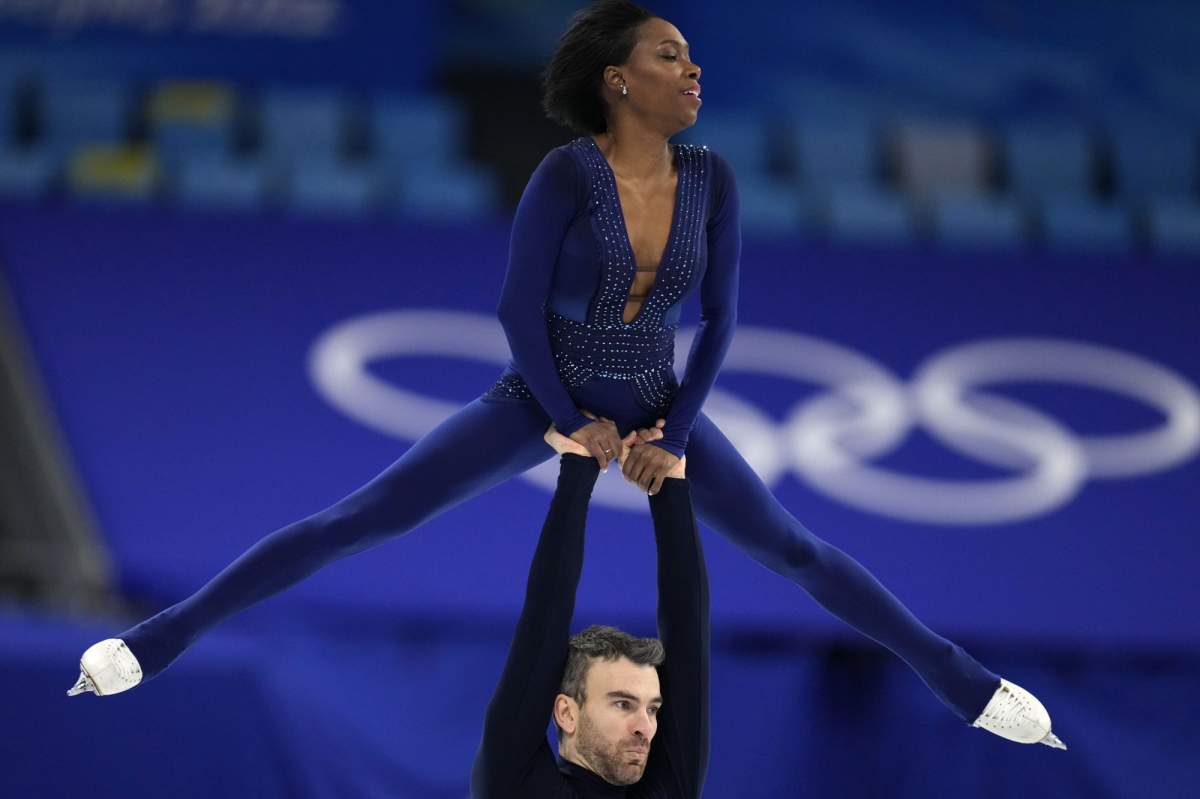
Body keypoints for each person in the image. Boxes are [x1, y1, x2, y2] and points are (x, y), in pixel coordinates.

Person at [70, 0, 1064, 750]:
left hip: (661, 404)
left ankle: (968, 685)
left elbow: (719, 320)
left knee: (796, 551)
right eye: (669, 54)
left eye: (692, 53)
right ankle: (157, 639)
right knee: (362, 517)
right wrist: (563, 420)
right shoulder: (563, 175)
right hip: (540, 397)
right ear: (618, 81)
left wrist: (671, 434)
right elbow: (514, 311)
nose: (693, 68)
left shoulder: (712, 180)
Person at [471, 423, 707, 798]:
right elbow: (544, 614)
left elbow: (688, 634)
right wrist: (579, 466)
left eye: (652, 710)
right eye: (623, 703)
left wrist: (671, 480)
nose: (644, 727)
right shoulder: (515, 787)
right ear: (566, 712)